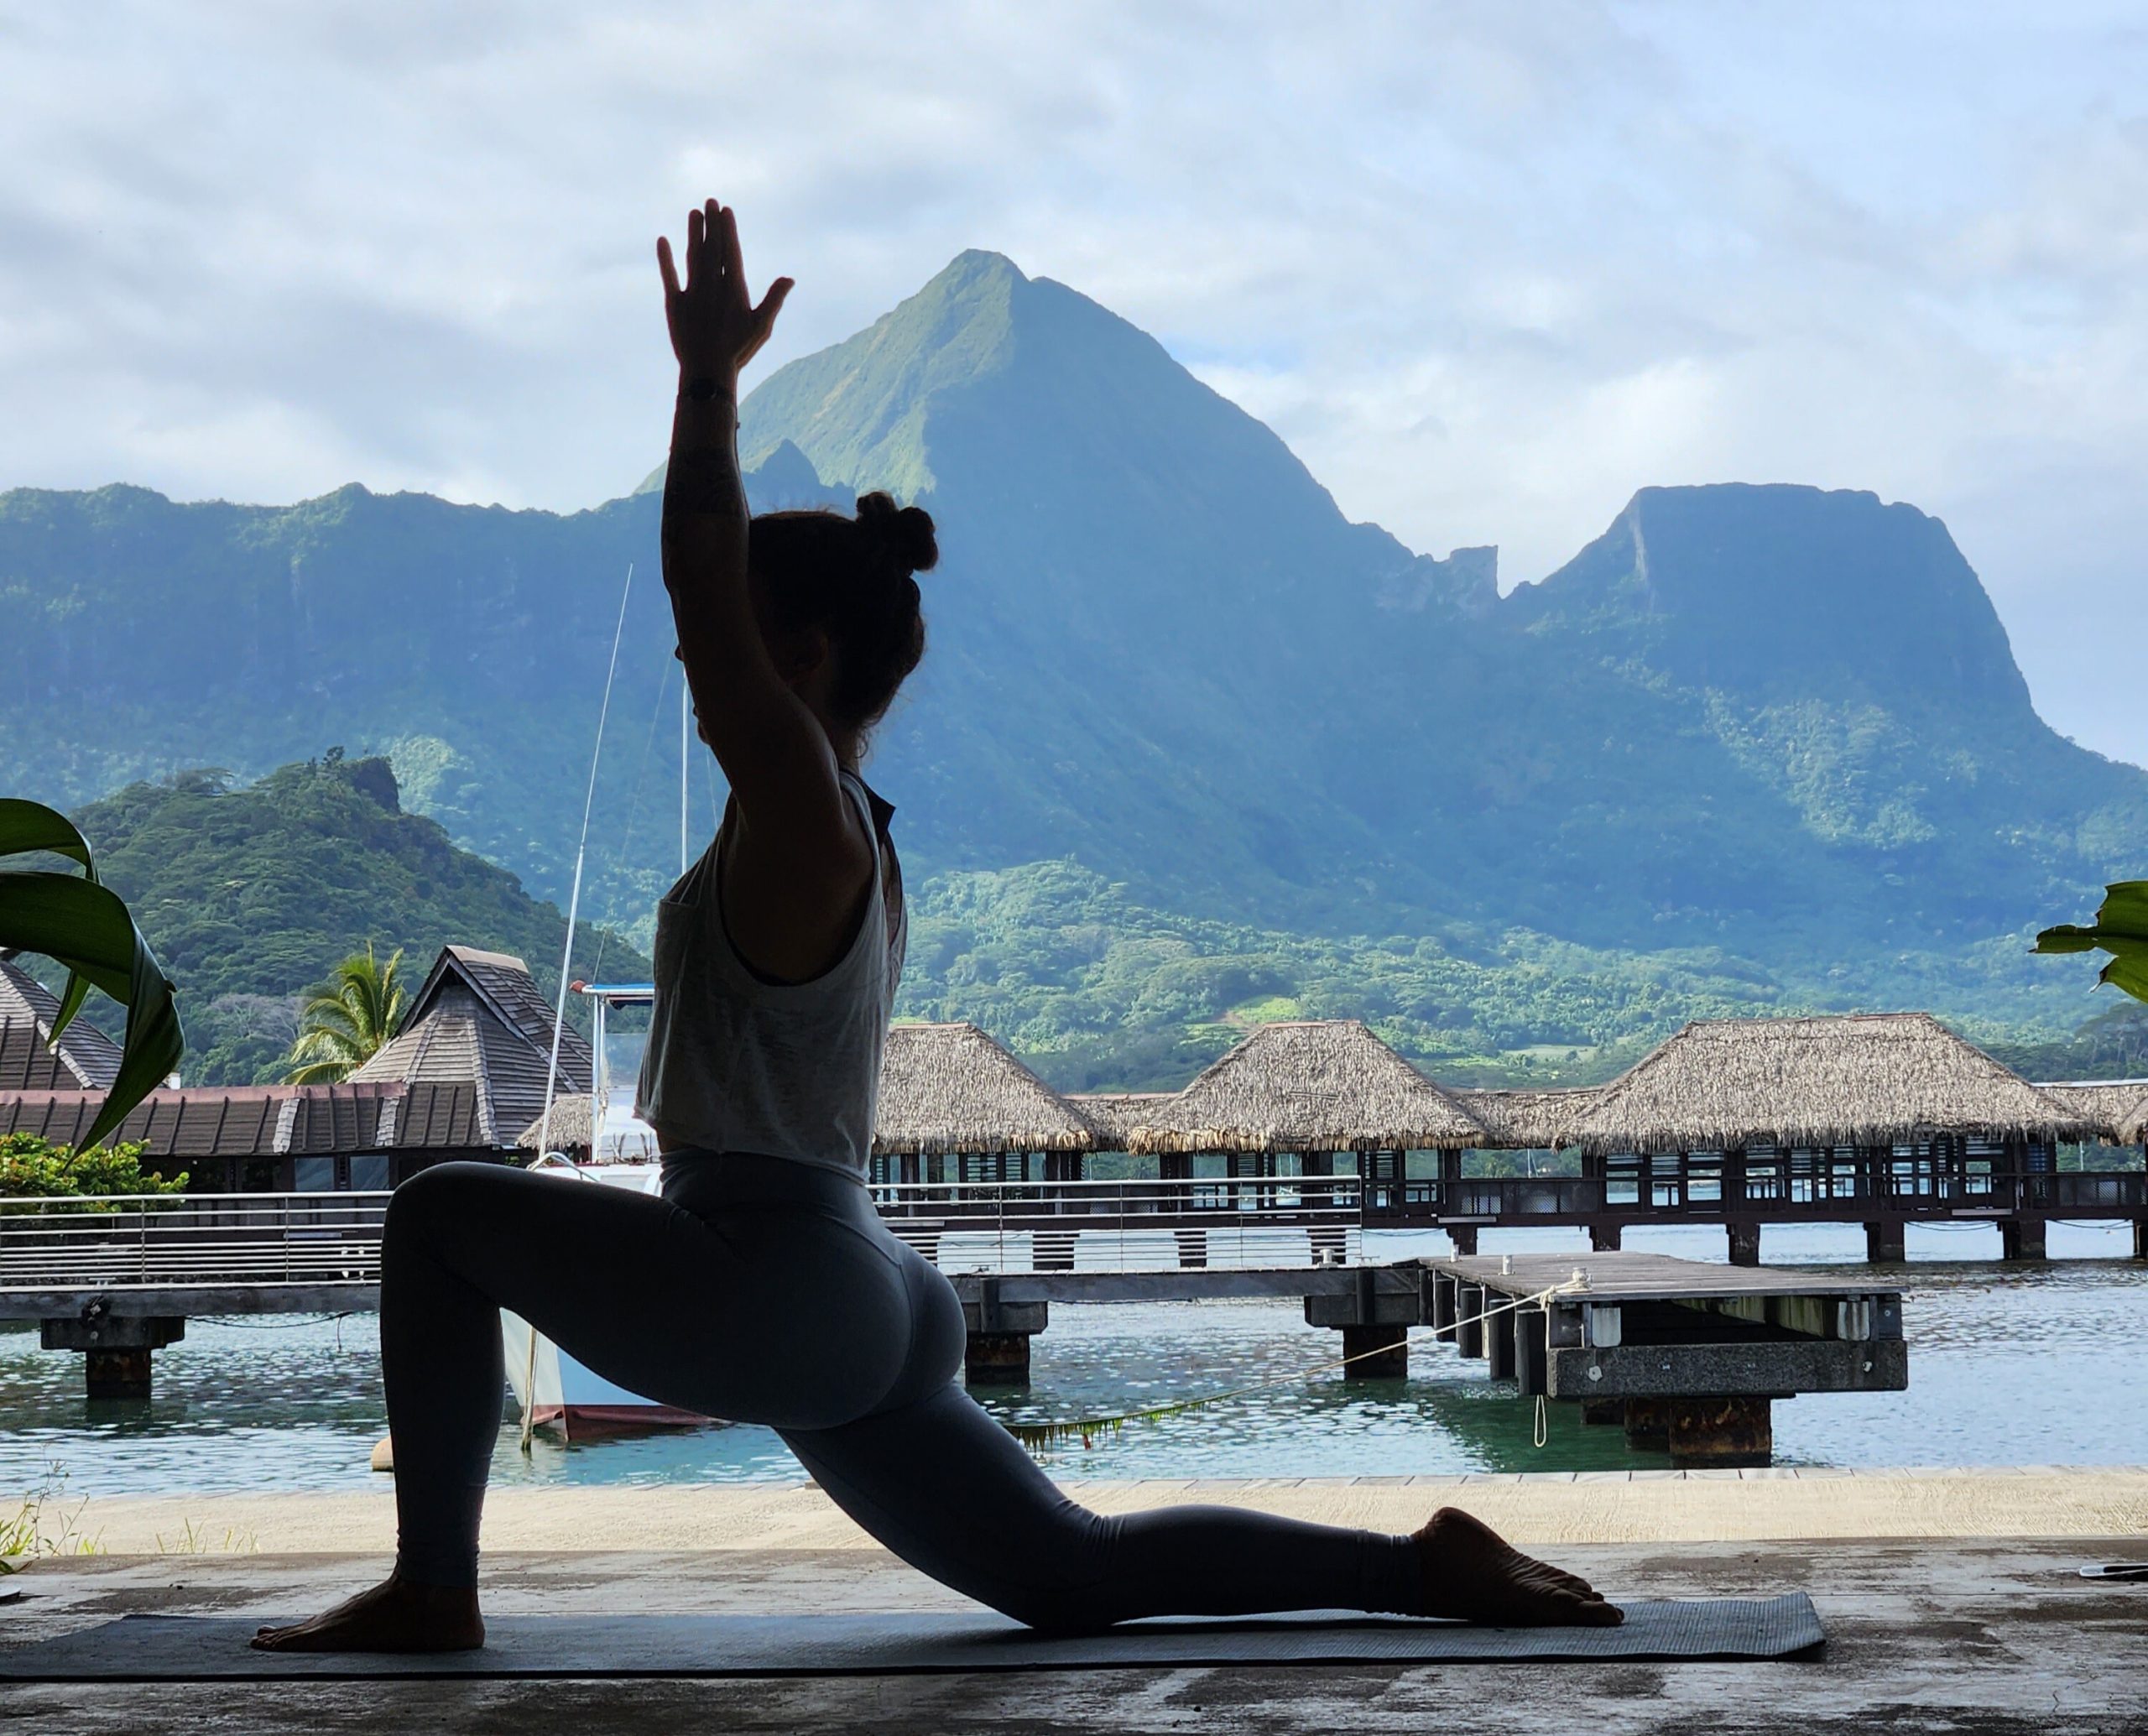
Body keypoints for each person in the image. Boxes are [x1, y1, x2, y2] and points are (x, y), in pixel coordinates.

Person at [253, 200, 1621, 1652]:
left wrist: (707, 378)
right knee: (1073, 1571)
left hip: (776, 1276)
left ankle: (434, 1590)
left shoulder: (803, 808)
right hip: (857, 1287)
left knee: (436, 1216)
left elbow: (698, 586)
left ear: (802, 655)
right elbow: (713, 612)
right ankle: (1419, 1562)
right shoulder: (839, 824)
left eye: (727, 643)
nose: (688, 657)